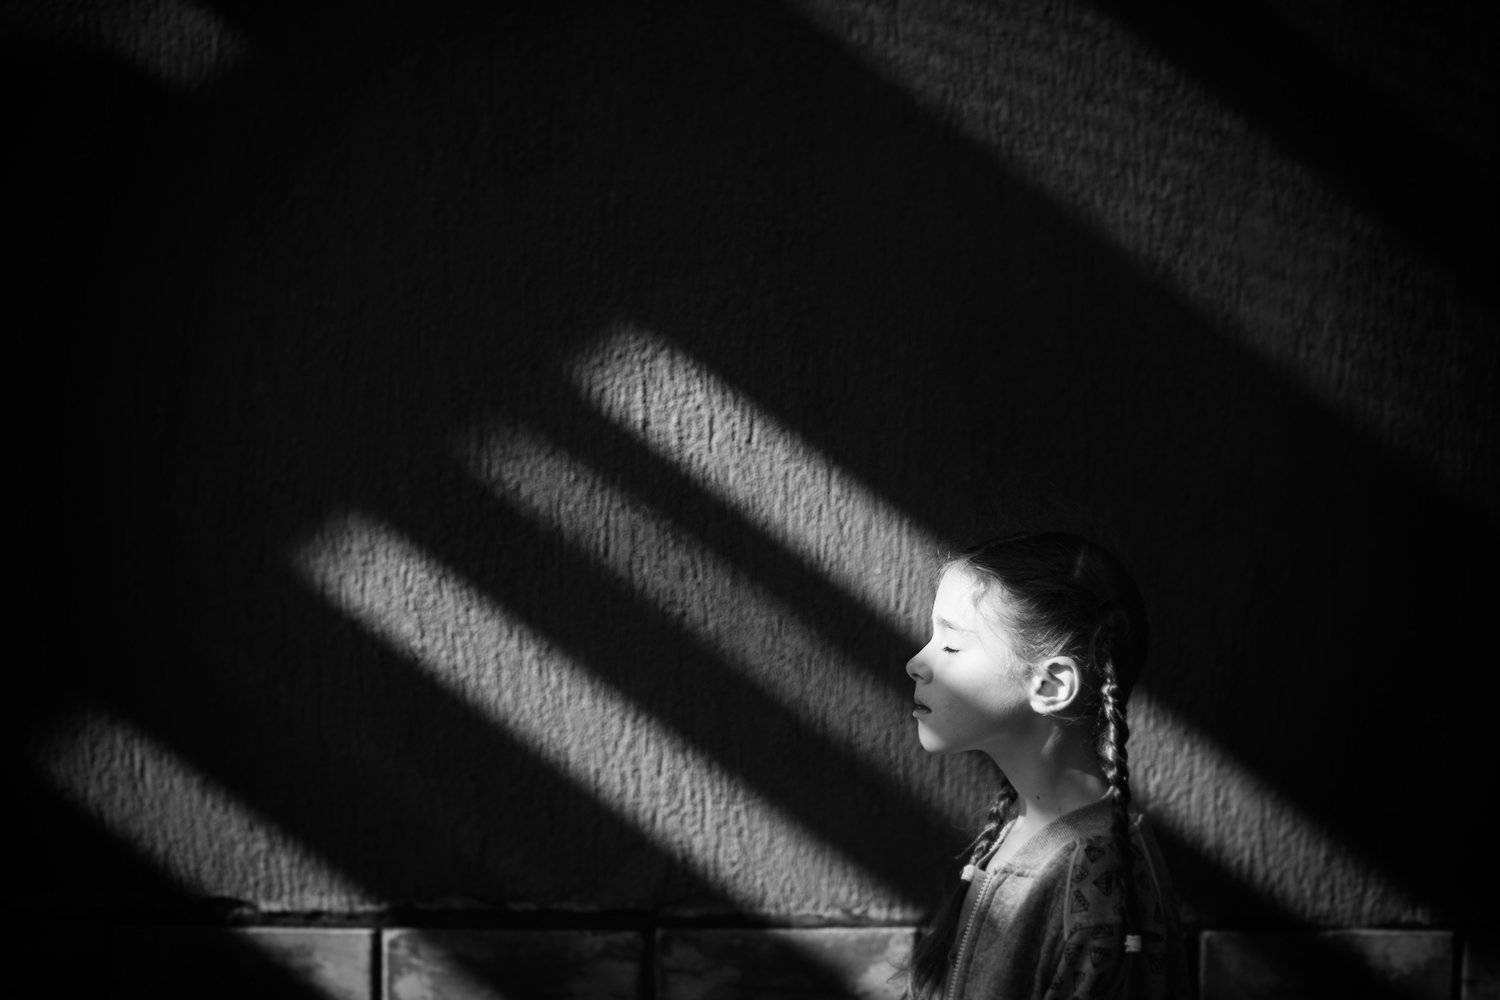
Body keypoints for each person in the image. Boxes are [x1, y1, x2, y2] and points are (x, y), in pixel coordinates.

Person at [903, 532, 1188, 1000]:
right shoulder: (1022, 827)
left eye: (951, 646)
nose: (916, 663)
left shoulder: (1094, 893)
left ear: (1052, 685)